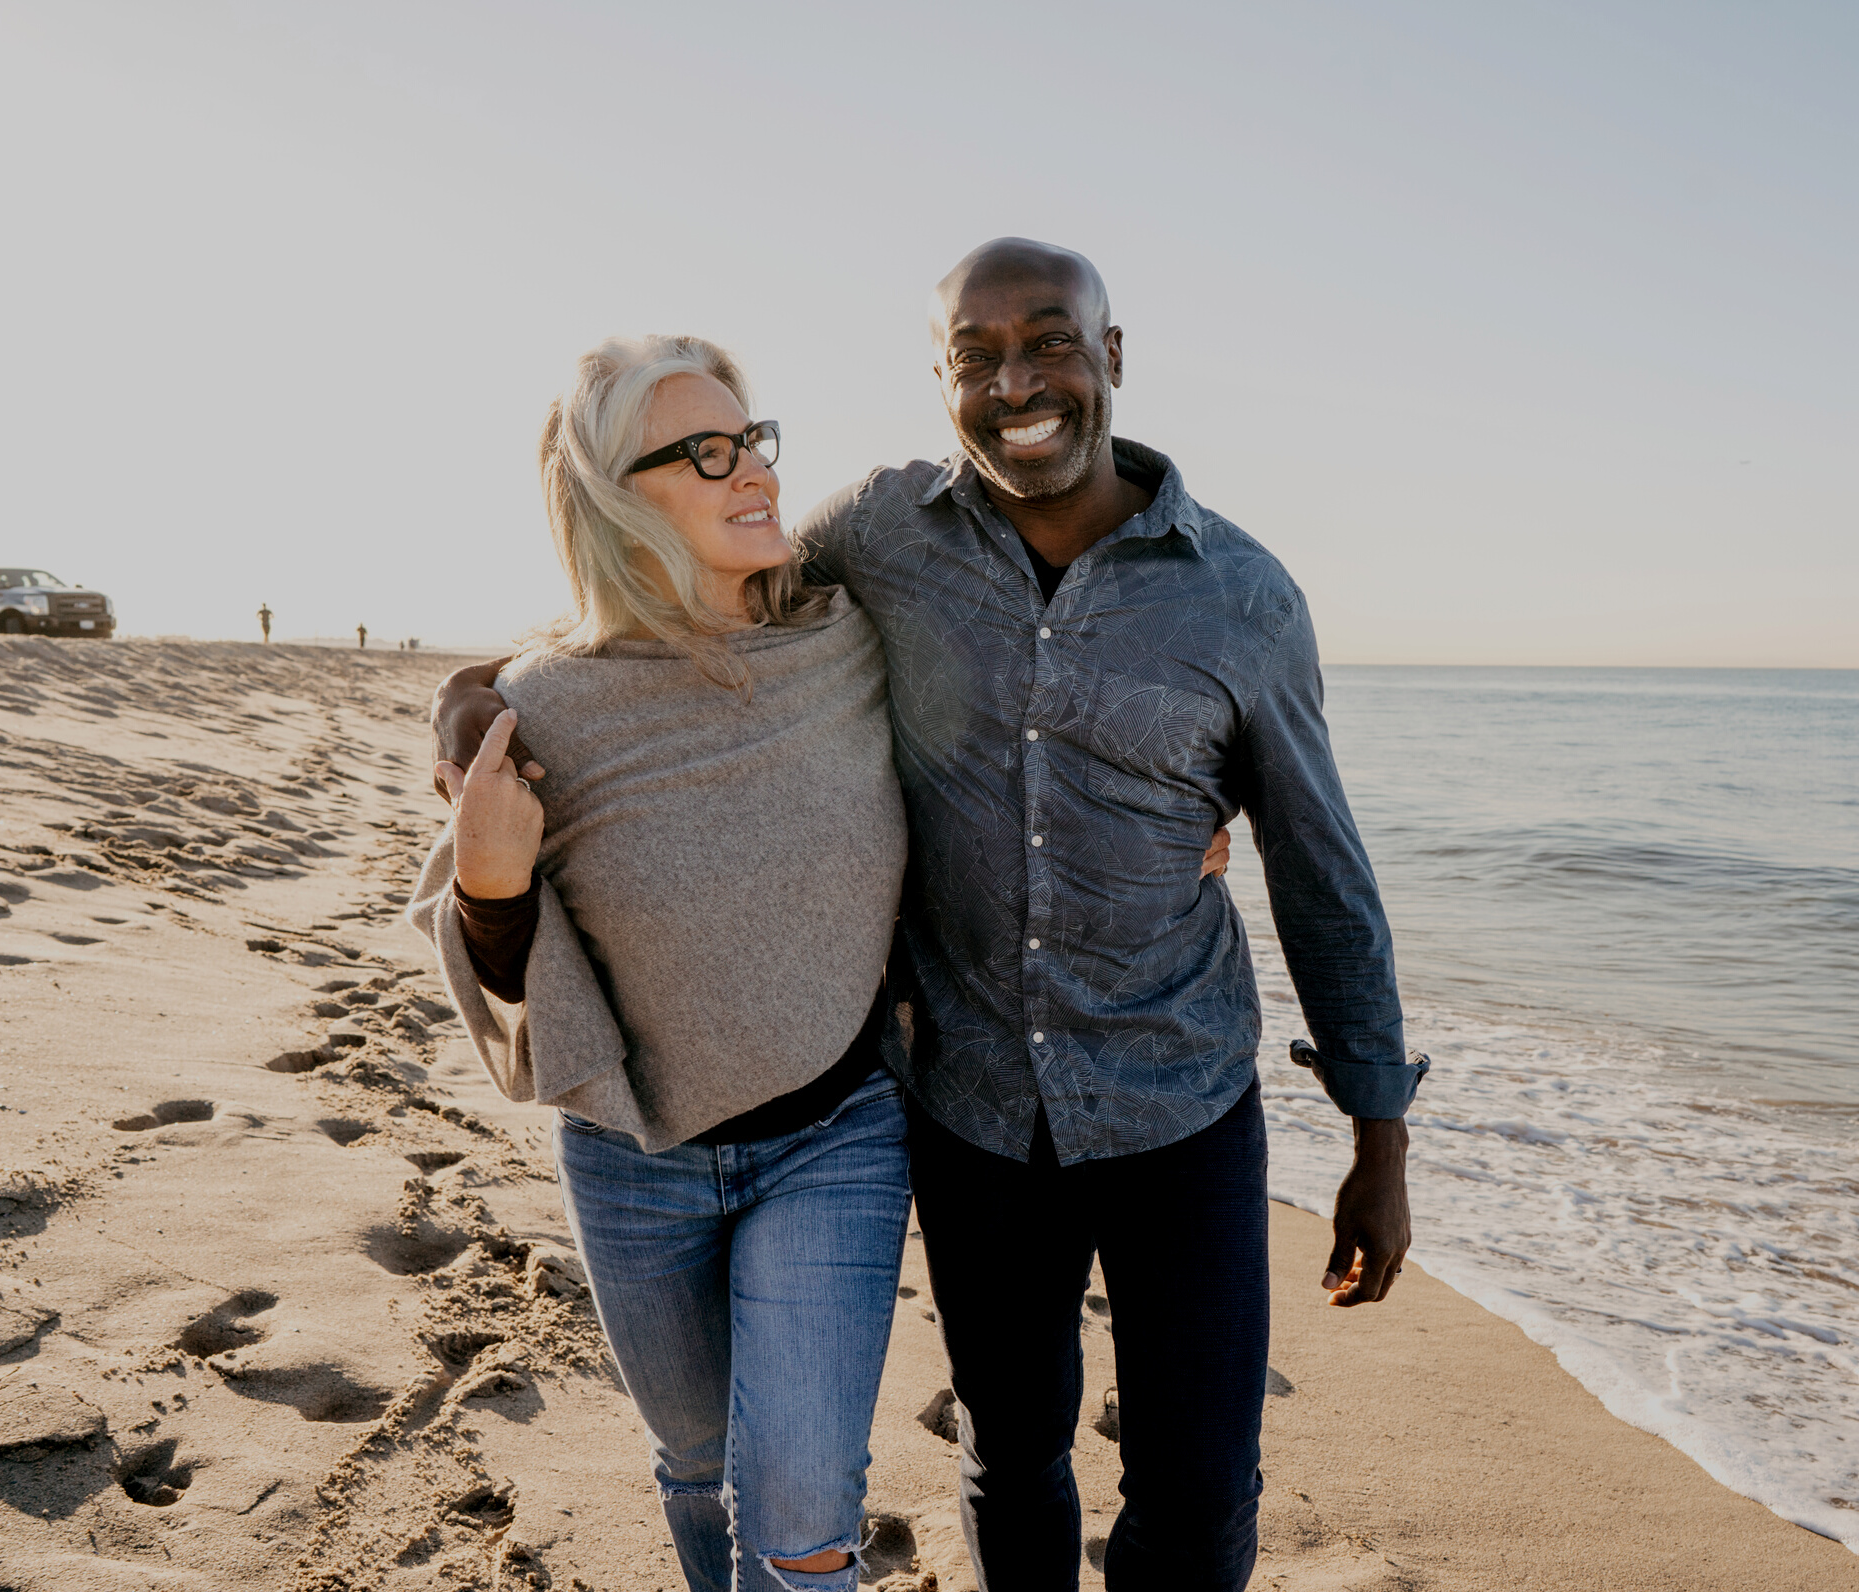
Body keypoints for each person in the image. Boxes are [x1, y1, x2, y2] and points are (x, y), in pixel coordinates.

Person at [436, 240, 1423, 1592]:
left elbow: (1322, 866)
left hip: (1178, 1097)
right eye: (976, 357)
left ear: (1112, 356)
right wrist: (473, 687)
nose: (1017, 381)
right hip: (965, 1107)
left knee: (1198, 1494)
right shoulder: (878, 540)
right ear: (941, 380)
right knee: (1010, 1449)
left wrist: (1378, 1130)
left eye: (1051, 342)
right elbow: (661, 610)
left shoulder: (1240, 597)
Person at [408, 334, 915, 1592]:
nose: (751, 471)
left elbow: (1016, 694)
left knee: (799, 1503)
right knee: (696, 1462)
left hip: (841, 1133)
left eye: (752, 440)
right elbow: (519, 983)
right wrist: (486, 882)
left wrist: (1177, 804)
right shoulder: (549, 707)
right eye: (705, 451)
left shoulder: (849, 642)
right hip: (636, 1156)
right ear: (612, 496)